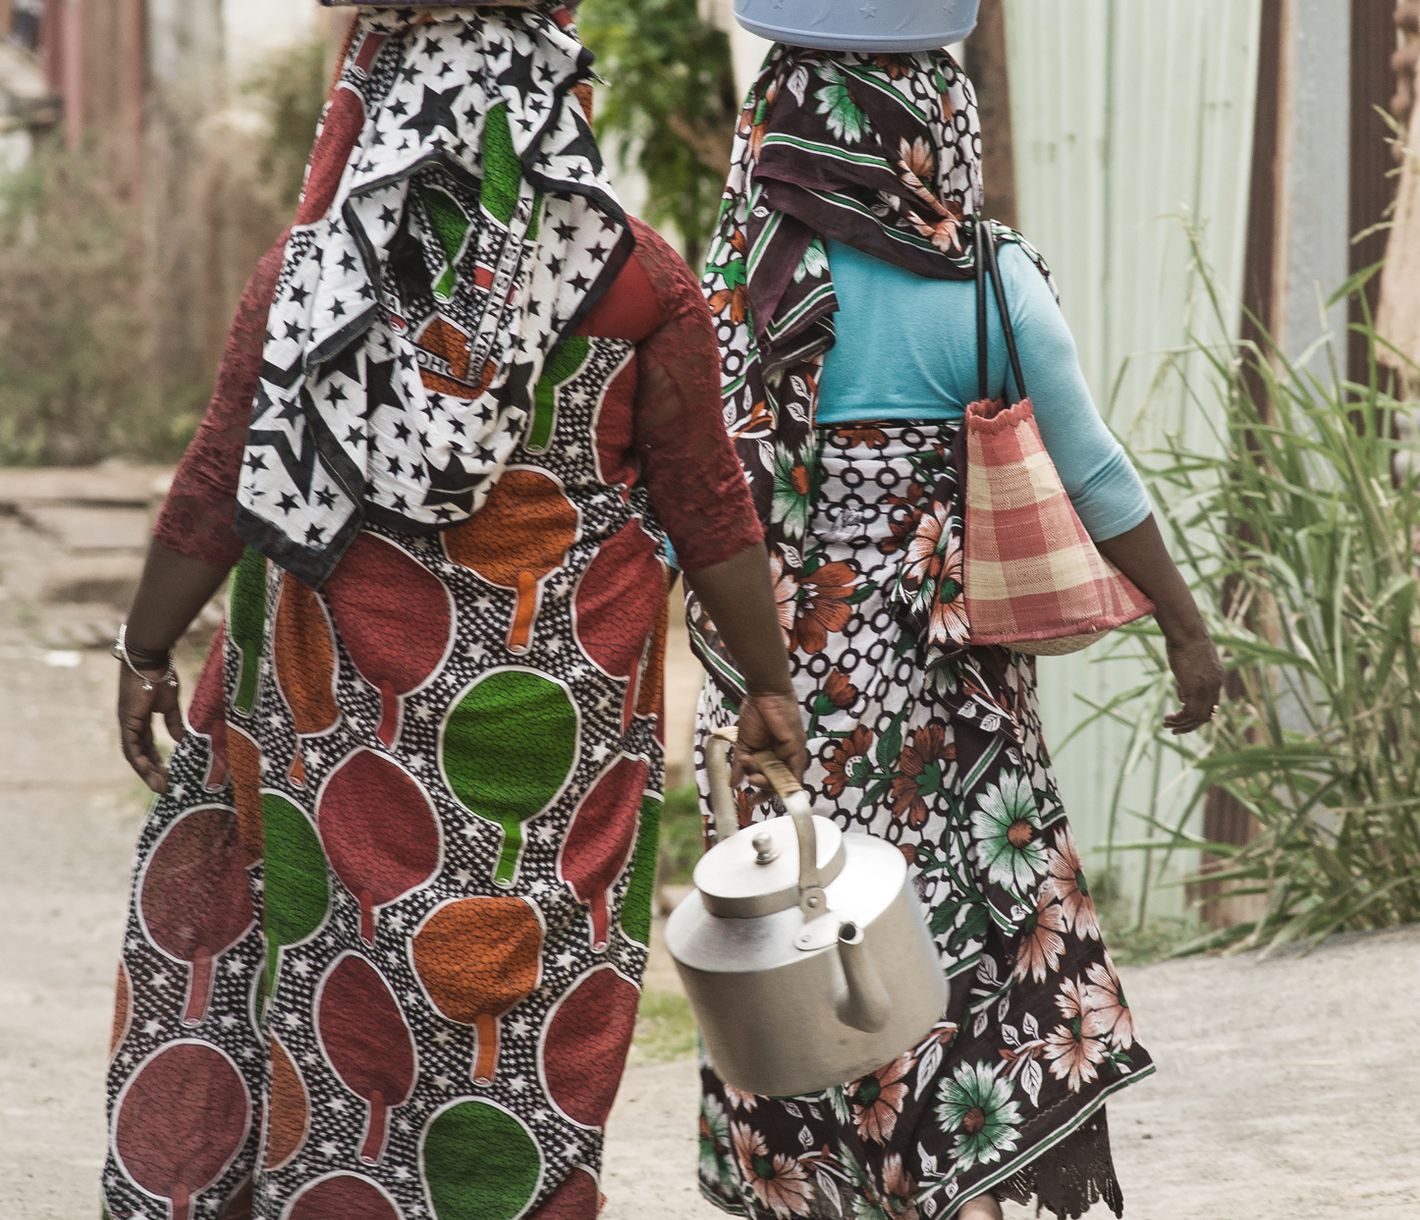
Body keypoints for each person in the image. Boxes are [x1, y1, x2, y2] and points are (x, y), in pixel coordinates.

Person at [102, 5, 805, 1218]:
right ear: (549, 104)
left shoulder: (304, 285)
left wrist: (148, 643)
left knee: (341, 1001)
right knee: (527, 1002)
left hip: (340, 757)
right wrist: (771, 680)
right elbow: (710, 507)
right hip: (551, 770)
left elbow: (221, 479)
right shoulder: (637, 283)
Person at [691, 44, 1223, 1220]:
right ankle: (968, 1192)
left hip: (783, 691)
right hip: (950, 700)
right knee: (958, 948)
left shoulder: (744, 282)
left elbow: (697, 496)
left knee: (802, 946)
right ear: (937, 126)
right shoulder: (991, 278)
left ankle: (831, 1192)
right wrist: (1183, 628)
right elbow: (1092, 468)